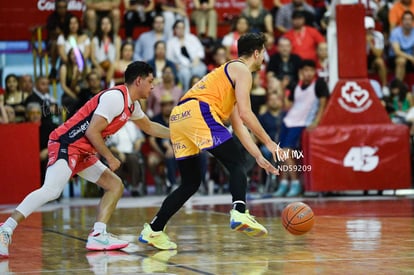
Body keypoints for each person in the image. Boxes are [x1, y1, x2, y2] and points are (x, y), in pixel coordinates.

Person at [0, 61, 170, 257]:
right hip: (66, 143)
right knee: (51, 190)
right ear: (138, 80)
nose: (153, 86)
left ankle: (98, 233)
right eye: (150, 81)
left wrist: (175, 133)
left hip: (83, 151)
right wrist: (110, 157)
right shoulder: (115, 97)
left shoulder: (132, 106)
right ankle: (6, 229)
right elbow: (92, 131)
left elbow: (149, 127)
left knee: (115, 185)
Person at [138, 33, 281, 250]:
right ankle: (240, 212)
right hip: (199, 112)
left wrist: (258, 156)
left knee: (191, 182)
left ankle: (154, 230)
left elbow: (239, 126)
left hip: (179, 117)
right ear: (256, 53)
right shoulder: (242, 70)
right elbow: (246, 113)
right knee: (236, 162)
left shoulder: (226, 78)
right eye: (263, 53)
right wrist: (269, 143)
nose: (263, 58)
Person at [273, 59, 329, 197]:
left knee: (288, 152)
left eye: (311, 70)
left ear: (314, 71)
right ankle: (284, 183)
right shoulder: (295, 85)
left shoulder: (319, 84)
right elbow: (287, 106)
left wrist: (316, 121)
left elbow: (323, 104)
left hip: (301, 123)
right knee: (282, 154)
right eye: (305, 70)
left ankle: (296, 183)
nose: (308, 73)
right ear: (301, 72)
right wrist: (282, 89)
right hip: (288, 122)